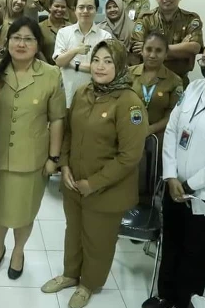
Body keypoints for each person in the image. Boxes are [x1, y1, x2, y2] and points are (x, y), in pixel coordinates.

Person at [41, 39, 148, 308]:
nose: (100, 67)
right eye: (97, 60)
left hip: (106, 188)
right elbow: (68, 131)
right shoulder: (83, 92)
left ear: (120, 65)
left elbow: (130, 155)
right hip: (74, 181)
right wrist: (64, 165)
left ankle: (89, 283)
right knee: (73, 231)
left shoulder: (129, 103)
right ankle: (70, 274)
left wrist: (95, 182)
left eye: (108, 61)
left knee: (97, 239)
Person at [143, 34, 205, 308]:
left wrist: (191, 185)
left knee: (196, 255)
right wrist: (170, 175)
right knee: (172, 247)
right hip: (174, 185)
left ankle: (184, 303)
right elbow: (171, 131)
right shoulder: (193, 88)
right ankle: (165, 298)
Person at [0, 17, 65, 280]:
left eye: (28, 39)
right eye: (16, 38)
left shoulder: (51, 74)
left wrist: (54, 157)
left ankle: (18, 250)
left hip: (32, 159)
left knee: (25, 210)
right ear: (7, 42)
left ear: (37, 44)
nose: (21, 43)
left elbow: (57, 119)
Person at [131, 0, 203, 88]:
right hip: (147, 81)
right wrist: (180, 51)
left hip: (179, 81)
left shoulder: (191, 19)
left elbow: (194, 48)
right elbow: (137, 48)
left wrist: (153, 49)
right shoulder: (145, 18)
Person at [54, 0, 113, 107]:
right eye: (81, 7)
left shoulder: (105, 37)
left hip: (95, 94)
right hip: (67, 93)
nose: (85, 11)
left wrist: (72, 64)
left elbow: (101, 68)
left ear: (96, 10)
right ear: (74, 9)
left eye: (90, 8)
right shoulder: (63, 33)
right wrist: (76, 50)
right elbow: (59, 61)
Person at [129, 33, 183, 144]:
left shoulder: (174, 81)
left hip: (158, 139)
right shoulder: (127, 74)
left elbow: (173, 114)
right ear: (142, 51)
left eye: (158, 51)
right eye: (148, 49)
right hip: (127, 134)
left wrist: (149, 130)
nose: (152, 55)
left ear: (166, 54)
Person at [39, 0, 71, 65]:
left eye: (63, 7)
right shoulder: (39, 27)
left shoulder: (71, 28)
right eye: (56, 6)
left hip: (66, 69)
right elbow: (37, 51)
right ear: (50, 7)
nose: (60, 9)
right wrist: (49, 69)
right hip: (45, 69)